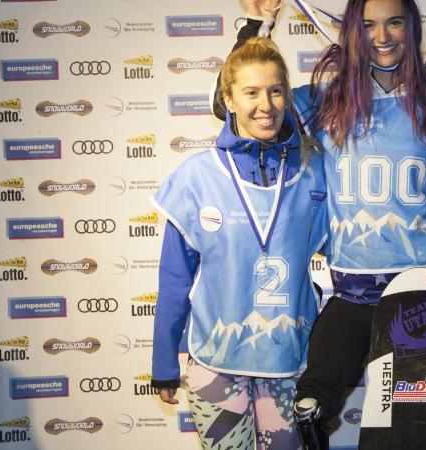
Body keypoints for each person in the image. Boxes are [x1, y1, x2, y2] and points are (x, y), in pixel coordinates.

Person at [215, 1, 426, 447]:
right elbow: (231, 112)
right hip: (352, 292)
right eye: (369, 26)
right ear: (353, 33)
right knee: (308, 407)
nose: (382, 37)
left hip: (421, 293)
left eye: (394, 22)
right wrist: (258, 26)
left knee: (409, 436)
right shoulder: (324, 101)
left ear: (411, 28)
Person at [150, 37, 327, 450]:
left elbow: (346, 253)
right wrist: (162, 363)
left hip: (288, 358)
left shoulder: (314, 172)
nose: (265, 104)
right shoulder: (197, 178)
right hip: (215, 362)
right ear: (228, 99)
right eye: (250, 92)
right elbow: (175, 280)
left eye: (275, 90)